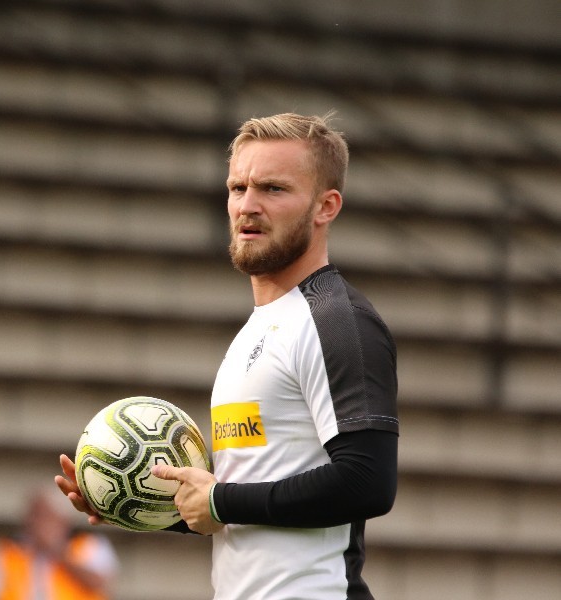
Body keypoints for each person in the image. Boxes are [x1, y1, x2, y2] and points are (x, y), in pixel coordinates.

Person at [55, 112, 399, 600]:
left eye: (273, 189)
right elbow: (245, 509)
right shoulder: (259, 328)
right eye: (238, 188)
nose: (247, 206)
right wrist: (135, 499)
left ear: (326, 206)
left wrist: (218, 499)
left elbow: (368, 482)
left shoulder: (339, 322)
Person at [0, 485, 119, 600]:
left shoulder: (89, 544)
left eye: (45, 516)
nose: (36, 523)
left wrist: (58, 551)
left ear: (63, 520)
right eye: (33, 515)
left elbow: (99, 583)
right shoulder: (5, 550)